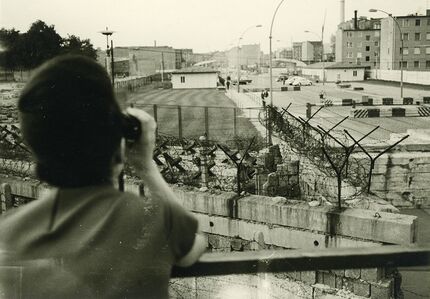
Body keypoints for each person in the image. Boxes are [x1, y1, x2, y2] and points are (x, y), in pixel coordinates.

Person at [0, 55, 206, 298]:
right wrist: (145, 165)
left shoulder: (9, 231)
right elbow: (194, 245)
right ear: (117, 140)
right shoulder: (153, 219)